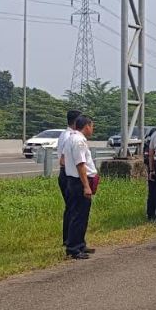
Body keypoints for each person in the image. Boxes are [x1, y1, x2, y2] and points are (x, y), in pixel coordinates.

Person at [63, 115, 98, 259]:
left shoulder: (71, 138)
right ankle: (74, 248)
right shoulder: (79, 141)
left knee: (80, 214)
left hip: (73, 180)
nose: (93, 129)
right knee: (78, 215)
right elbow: (80, 164)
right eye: (92, 126)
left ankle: (80, 243)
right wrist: (86, 186)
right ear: (87, 126)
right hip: (79, 181)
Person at [57, 109, 81, 248]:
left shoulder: (64, 134)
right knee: (74, 209)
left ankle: (69, 239)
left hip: (65, 173)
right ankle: (71, 241)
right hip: (68, 174)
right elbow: (63, 160)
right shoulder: (70, 136)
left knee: (71, 208)